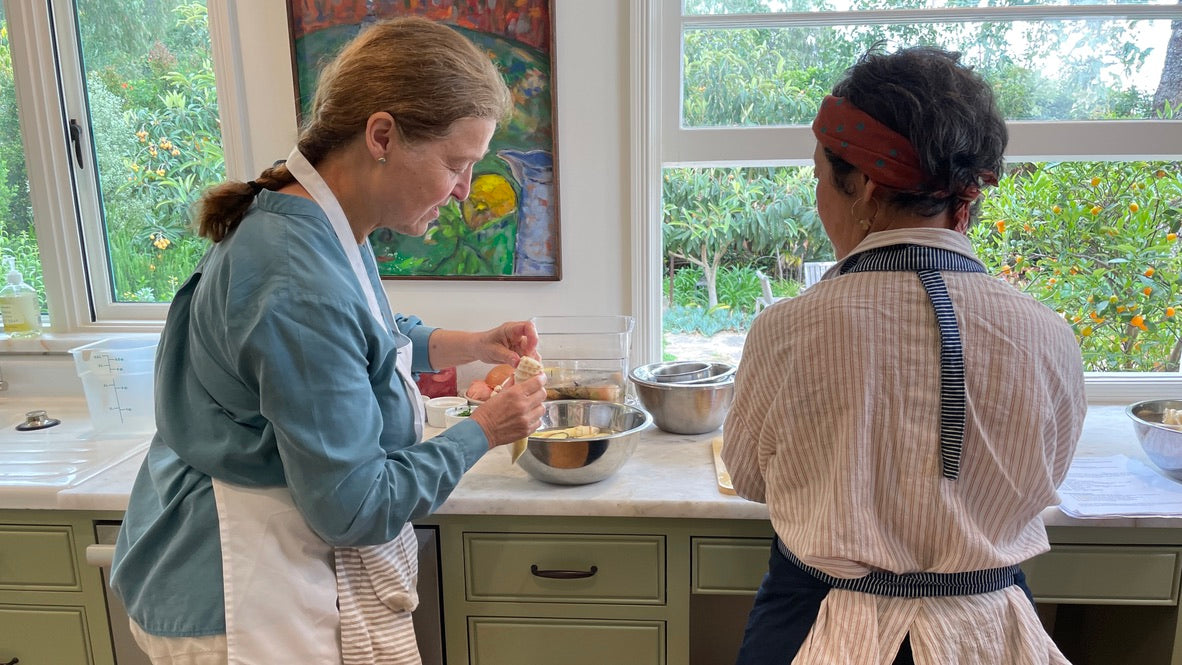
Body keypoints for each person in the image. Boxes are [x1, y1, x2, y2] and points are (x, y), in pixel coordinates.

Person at [110, 17, 548, 665]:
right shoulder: (295, 274)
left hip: (253, 567)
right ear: (382, 136)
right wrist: (483, 429)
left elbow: (365, 336)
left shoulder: (317, 223)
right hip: (240, 594)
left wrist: (474, 344)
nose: (462, 192)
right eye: (457, 164)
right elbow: (354, 505)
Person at [721, 46, 1087, 665]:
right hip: (989, 630)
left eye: (818, 178)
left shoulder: (787, 328)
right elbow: (1045, 477)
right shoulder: (1048, 333)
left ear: (862, 185)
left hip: (814, 621)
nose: (818, 199)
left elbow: (751, 478)